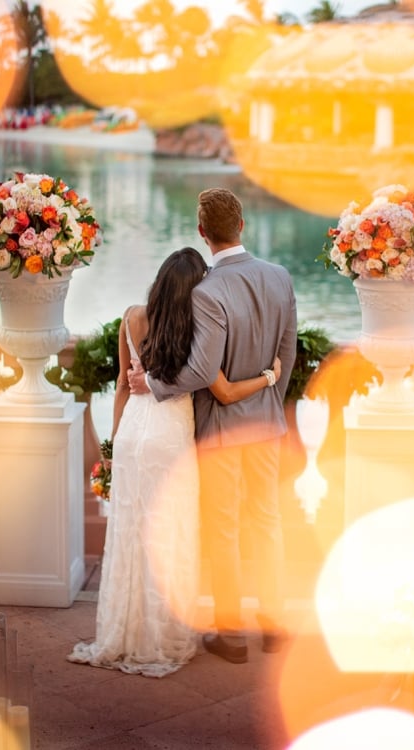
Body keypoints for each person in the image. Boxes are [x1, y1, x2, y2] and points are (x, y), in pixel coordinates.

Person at [67, 247, 281, 678]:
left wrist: (112, 449)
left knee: (130, 533)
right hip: (171, 437)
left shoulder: (131, 317)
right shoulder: (197, 328)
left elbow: (123, 389)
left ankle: (122, 634)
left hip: (132, 433)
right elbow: (220, 389)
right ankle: (164, 636)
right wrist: (271, 376)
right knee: (171, 535)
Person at [129, 188, 297, 665]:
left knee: (223, 529)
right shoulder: (280, 277)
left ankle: (231, 636)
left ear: (202, 233)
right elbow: (288, 352)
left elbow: (203, 371)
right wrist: (268, 402)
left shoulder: (207, 292)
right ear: (241, 226)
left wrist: (154, 385)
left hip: (222, 428)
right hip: (266, 424)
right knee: (266, 522)